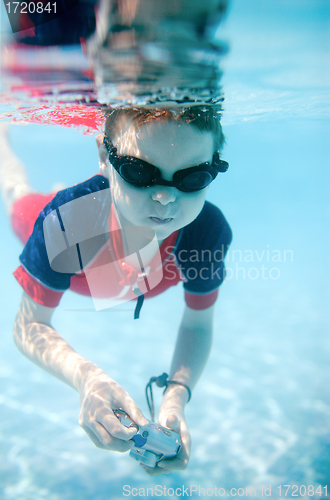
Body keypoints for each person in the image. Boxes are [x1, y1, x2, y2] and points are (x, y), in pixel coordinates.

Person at [0, 105, 232, 475]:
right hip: (76, 235)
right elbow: (27, 326)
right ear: (103, 157)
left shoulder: (206, 232)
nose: (165, 199)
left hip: (104, 230)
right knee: (17, 197)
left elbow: (198, 325)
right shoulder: (66, 220)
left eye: (193, 178)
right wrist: (86, 378)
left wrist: (176, 395)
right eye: (139, 172)